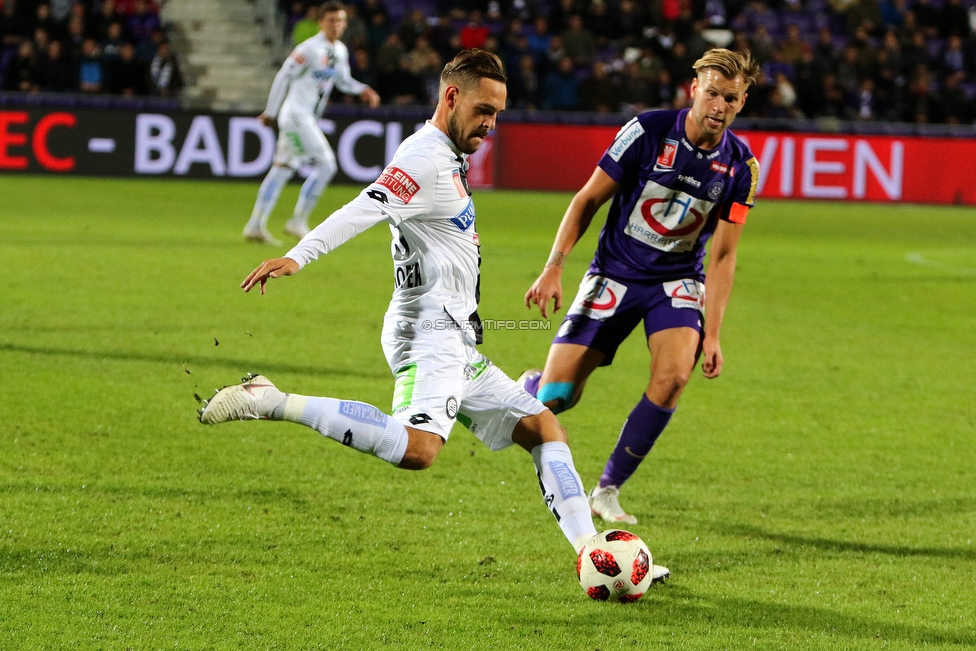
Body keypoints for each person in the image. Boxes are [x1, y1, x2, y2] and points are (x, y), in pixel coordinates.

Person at [199, 49, 668, 580]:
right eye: (484, 110)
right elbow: (365, 206)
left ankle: (591, 551)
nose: (491, 124)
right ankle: (272, 400)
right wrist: (297, 256)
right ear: (451, 97)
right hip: (428, 333)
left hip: (454, 339)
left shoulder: (447, 157)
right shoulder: (424, 157)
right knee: (419, 449)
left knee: (543, 427)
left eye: (498, 114)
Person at [521, 48, 761, 525]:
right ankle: (527, 385)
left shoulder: (741, 168)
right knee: (555, 398)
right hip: (614, 272)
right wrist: (555, 266)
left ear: (742, 102)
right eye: (711, 93)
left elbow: (724, 254)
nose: (718, 106)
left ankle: (606, 490)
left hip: (675, 280)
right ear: (693, 89)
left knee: (674, 376)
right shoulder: (647, 131)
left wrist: (712, 333)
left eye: (729, 98)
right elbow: (588, 198)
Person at [242, 1, 380, 246]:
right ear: (321, 22)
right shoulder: (309, 49)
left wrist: (364, 89)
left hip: (305, 118)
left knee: (282, 168)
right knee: (327, 165)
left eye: (340, 21)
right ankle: (298, 220)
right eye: (331, 20)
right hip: (296, 117)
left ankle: (255, 225)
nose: (336, 26)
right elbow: (283, 75)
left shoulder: (339, 50)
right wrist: (270, 111)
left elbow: (343, 81)